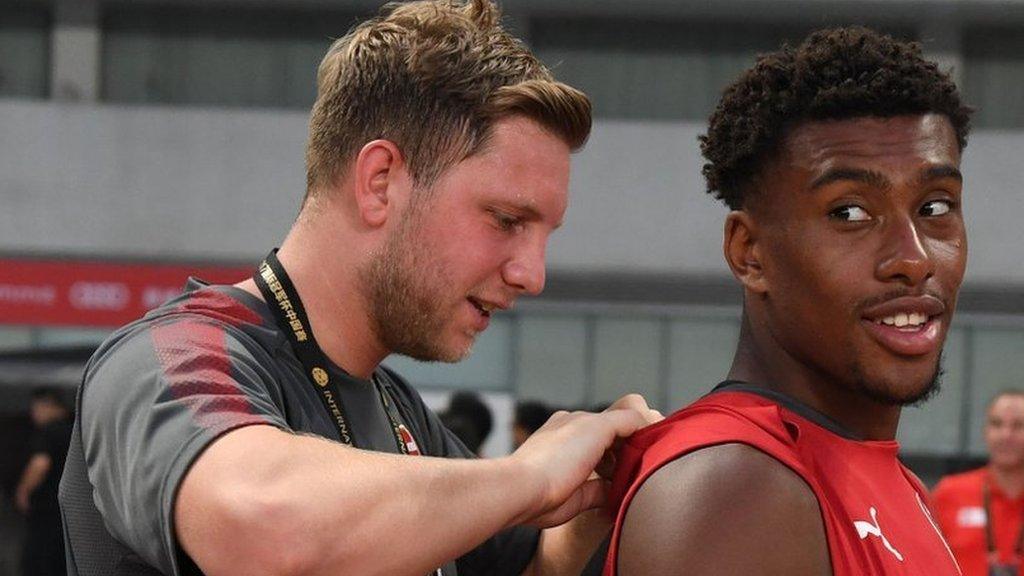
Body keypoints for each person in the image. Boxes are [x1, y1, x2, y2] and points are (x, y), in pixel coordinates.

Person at [58, 1, 660, 575]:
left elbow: (523, 567)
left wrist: (602, 485)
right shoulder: (170, 357)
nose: (532, 273)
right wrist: (527, 478)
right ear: (379, 182)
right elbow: (262, 526)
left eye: (544, 234)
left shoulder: (398, 408)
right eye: (506, 220)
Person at [604, 26, 973, 575]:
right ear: (749, 252)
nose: (913, 258)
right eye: (850, 213)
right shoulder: (732, 490)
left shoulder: (899, 484)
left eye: (935, 206)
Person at [933, 391, 1024, 575]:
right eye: (997, 424)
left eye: (1018, 426)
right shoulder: (949, 493)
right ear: (985, 431)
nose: (1006, 435)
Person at [16, 387, 72, 576]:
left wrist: (24, 491)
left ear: (48, 406)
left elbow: (40, 464)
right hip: (71, 509)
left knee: (38, 562)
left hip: (46, 510)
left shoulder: (49, 431)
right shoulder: (75, 430)